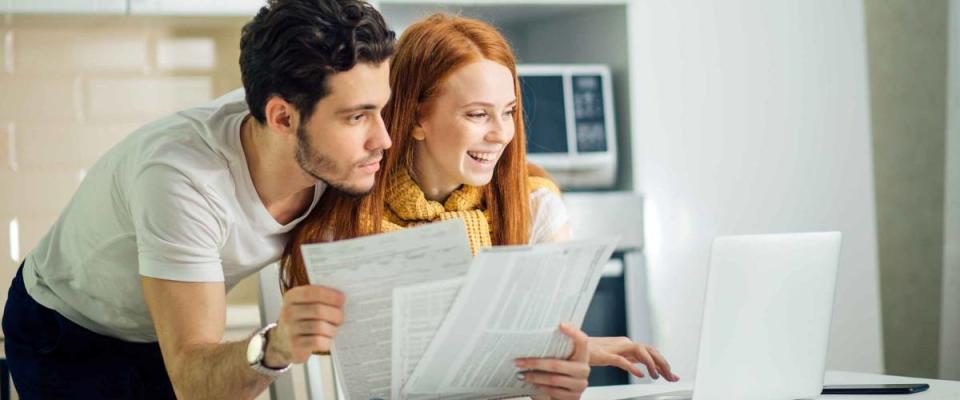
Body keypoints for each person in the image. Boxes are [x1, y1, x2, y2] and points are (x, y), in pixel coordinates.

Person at [2, 0, 394, 398]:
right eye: (357, 117)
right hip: (68, 331)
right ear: (282, 119)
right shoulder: (182, 179)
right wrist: (277, 346)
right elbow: (194, 383)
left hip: (165, 331)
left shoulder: (333, 151)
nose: (383, 139)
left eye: (381, 110)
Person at [282, 14, 679, 400]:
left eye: (508, 112)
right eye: (477, 114)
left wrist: (560, 378)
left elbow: (535, 364)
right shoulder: (347, 221)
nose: (502, 133)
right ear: (416, 117)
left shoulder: (536, 206)